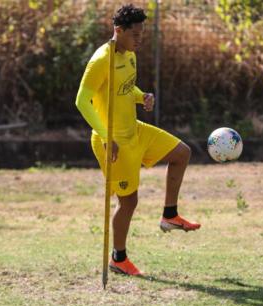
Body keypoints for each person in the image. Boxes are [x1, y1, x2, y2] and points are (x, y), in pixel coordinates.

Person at [75, 4, 201, 276]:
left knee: (182, 153)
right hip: (113, 141)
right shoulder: (101, 60)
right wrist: (107, 137)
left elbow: (123, 87)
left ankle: (170, 215)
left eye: (142, 34)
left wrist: (141, 95)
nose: (140, 39)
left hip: (135, 130)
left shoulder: (130, 55)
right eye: (135, 34)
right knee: (128, 202)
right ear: (118, 31)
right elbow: (81, 100)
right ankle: (118, 259)